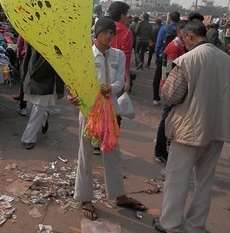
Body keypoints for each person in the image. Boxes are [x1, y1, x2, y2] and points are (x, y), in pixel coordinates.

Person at [153, 20, 230, 233]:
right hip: (218, 130)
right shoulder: (226, 60)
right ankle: (196, 230)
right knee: (205, 182)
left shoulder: (188, 60)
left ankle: (172, 226)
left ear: (189, 37)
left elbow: (171, 95)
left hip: (189, 129)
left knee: (177, 179)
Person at [70, 16, 146, 220]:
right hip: (88, 111)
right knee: (85, 153)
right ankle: (85, 197)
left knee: (112, 151)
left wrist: (108, 89)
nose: (110, 36)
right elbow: (75, 81)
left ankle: (119, 195)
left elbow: (120, 82)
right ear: (97, 33)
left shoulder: (119, 55)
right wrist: (74, 96)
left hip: (109, 110)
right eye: (106, 32)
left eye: (112, 33)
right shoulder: (84, 54)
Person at [154, 20, 186, 164]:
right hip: (170, 89)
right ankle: (160, 150)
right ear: (180, 31)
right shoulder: (174, 47)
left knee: (169, 119)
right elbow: (169, 72)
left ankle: (163, 147)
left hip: (172, 88)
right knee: (166, 119)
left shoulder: (180, 46)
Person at [20, 45, 64, 150]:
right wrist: (23, 79)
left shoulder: (57, 45)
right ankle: (44, 116)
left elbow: (59, 68)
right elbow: (27, 60)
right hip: (31, 79)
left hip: (46, 81)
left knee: (37, 110)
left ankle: (28, 138)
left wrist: (59, 89)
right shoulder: (33, 39)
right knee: (31, 109)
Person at [152, 11, 180, 106]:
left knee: (158, 77)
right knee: (174, 78)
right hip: (177, 58)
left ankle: (156, 98)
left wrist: (157, 54)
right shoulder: (180, 29)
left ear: (170, 18)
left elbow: (159, 42)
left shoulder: (164, 28)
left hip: (163, 56)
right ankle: (171, 98)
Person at [108, 1, 133, 93]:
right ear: (122, 15)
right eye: (126, 14)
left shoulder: (105, 29)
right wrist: (127, 80)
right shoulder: (126, 33)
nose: (127, 16)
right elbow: (126, 57)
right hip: (118, 73)